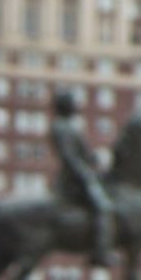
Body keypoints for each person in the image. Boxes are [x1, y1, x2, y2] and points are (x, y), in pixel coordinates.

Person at [50, 87, 113, 266]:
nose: (75, 106)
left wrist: (98, 159)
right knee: (104, 207)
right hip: (73, 179)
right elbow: (69, 157)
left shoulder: (71, 126)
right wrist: (85, 174)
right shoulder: (60, 127)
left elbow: (84, 153)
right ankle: (100, 253)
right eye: (72, 102)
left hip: (84, 174)